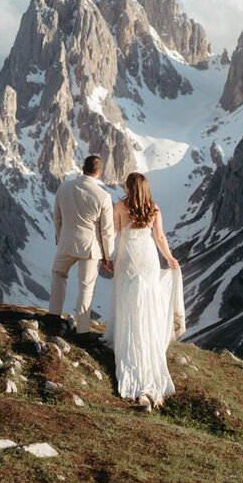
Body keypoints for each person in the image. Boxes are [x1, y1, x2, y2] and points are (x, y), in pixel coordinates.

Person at [106, 171, 184, 410]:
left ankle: (125, 341)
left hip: (127, 258)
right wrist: (169, 258)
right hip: (148, 258)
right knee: (147, 302)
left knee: (126, 299)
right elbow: (159, 237)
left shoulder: (119, 206)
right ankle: (148, 348)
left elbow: (113, 234)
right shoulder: (154, 208)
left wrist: (107, 258)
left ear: (129, 188)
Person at [48, 155, 114, 341]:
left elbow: (57, 217)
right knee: (86, 288)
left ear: (82, 168)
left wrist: (60, 238)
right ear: (100, 173)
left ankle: (53, 315)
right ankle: (83, 330)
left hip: (67, 241)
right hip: (90, 247)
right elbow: (107, 231)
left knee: (58, 274)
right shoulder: (103, 196)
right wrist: (108, 257)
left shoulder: (64, 187)